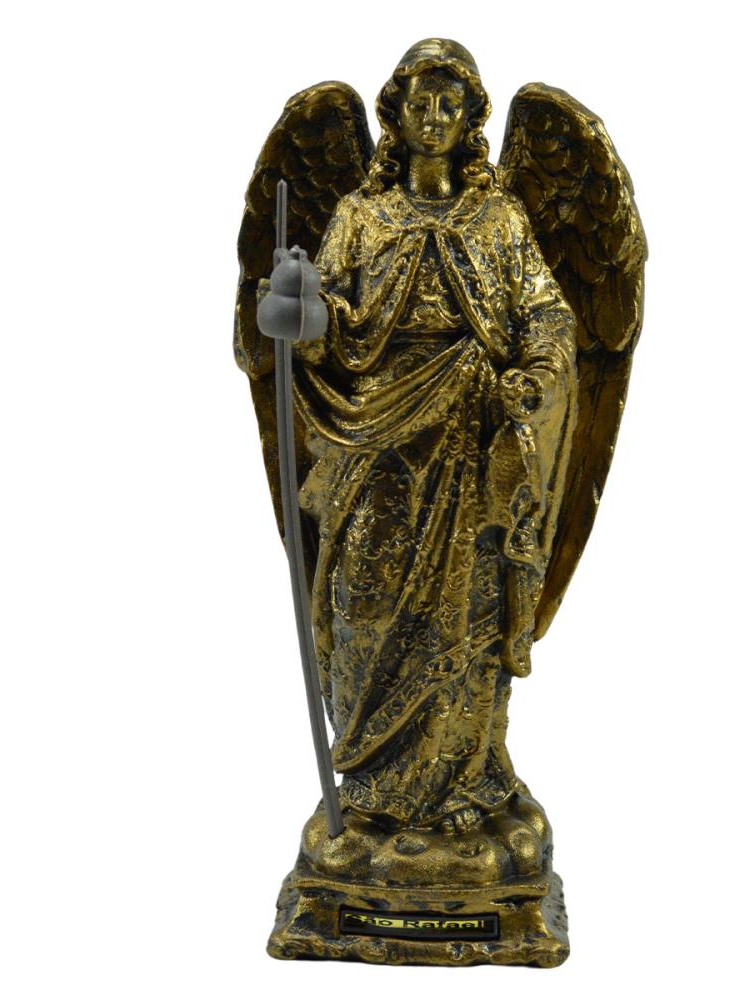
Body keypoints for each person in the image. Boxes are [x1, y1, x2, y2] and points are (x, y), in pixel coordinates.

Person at [271, 39, 578, 834]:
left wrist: (535, 376)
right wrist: (301, 315)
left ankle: (466, 786)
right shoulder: (359, 216)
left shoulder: (499, 219)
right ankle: (373, 793)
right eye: (419, 102)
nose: (434, 117)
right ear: (395, 115)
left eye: (450, 103)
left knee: (467, 612)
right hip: (375, 436)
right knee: (362, 603)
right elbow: (328, 320)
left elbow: (547, 315)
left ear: (473, 117)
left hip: (472, 439)